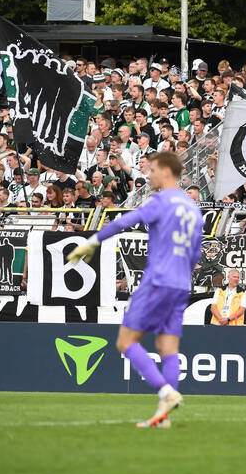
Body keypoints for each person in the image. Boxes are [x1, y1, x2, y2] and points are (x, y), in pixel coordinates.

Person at [66, 152, 202, 428]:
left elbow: (123, 222)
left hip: (158, 280)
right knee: (168, 346)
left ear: (166, 171)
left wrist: (91, 242)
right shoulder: (193, 209)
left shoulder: (161, 201)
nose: (149, 174)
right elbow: (195, 254)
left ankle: (166, 392)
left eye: (152, 169)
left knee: (126, 342)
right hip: (180, 284)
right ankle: (164, 416)